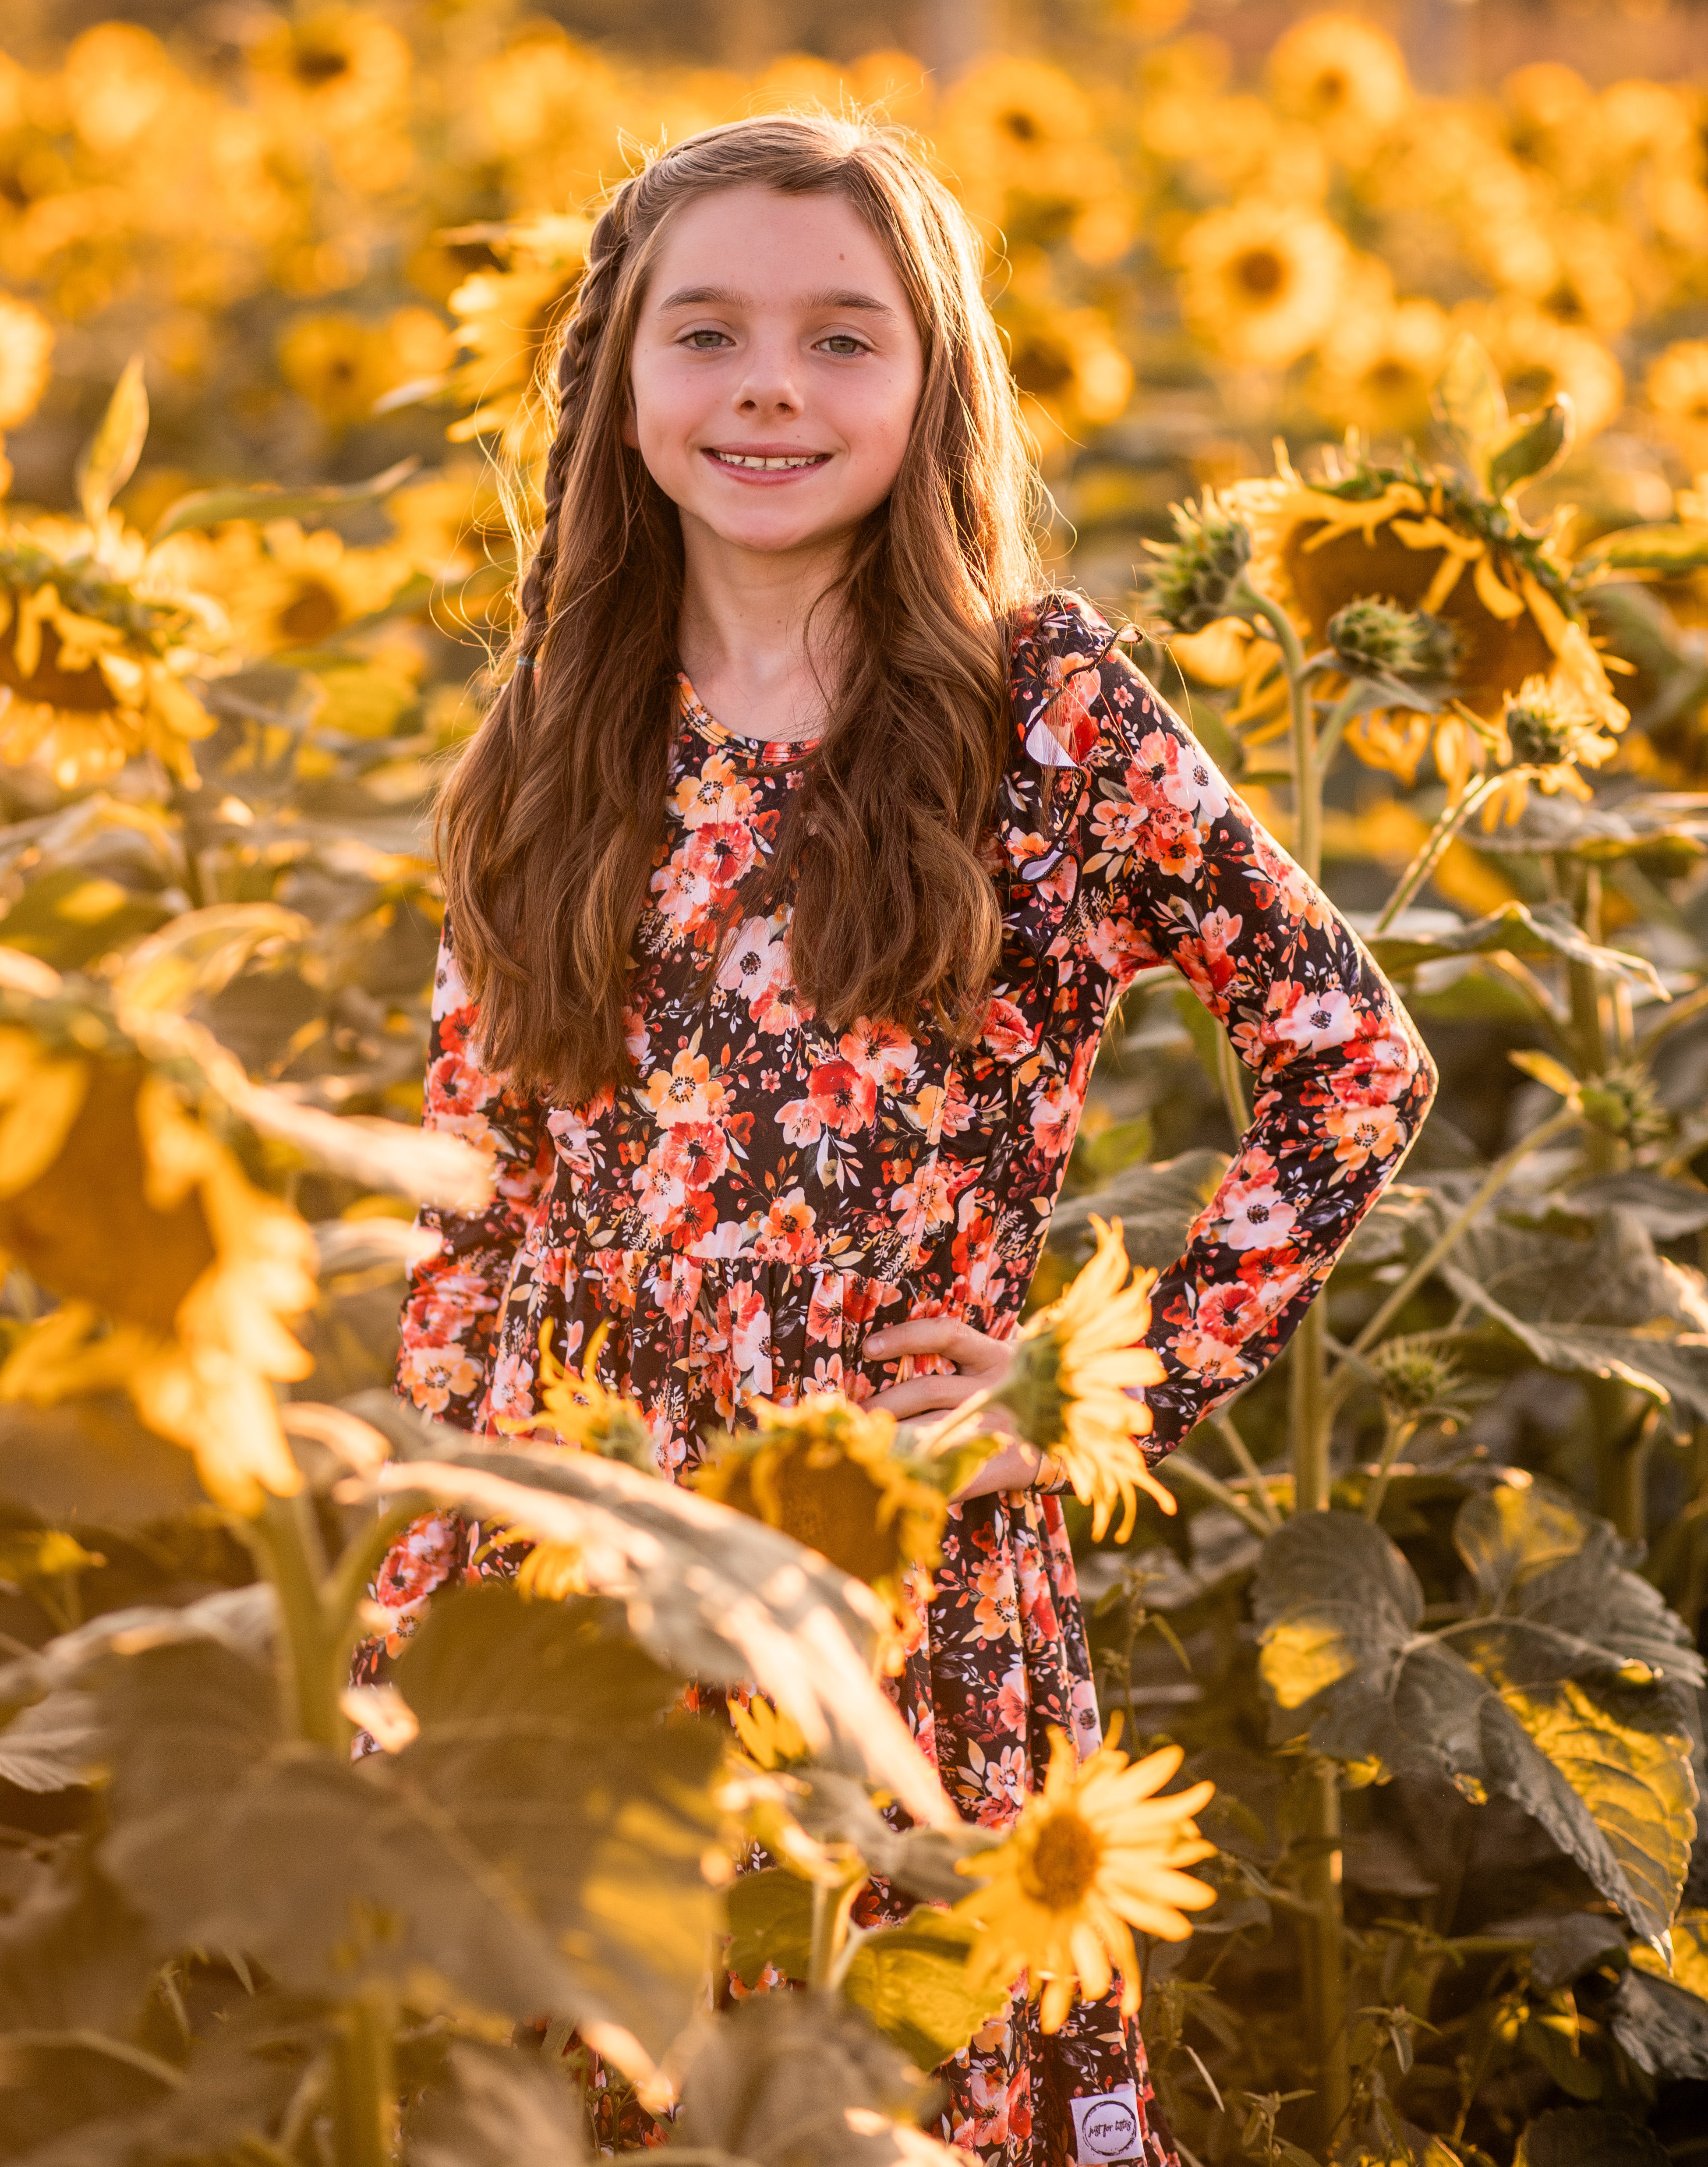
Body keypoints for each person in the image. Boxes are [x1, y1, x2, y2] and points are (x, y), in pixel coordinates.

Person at [373, 112, 1437, 2164]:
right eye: (707, 333)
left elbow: (1351, 1064)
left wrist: (1087, 1393)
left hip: (899, 1577)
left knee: (898, 2091)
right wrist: (432, 1561)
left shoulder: (1041, 710)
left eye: (843, 336)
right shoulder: (553, 721)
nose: (770, 383)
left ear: (935, 386)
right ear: (615, 386)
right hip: (583, 1576)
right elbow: (472, 1186)